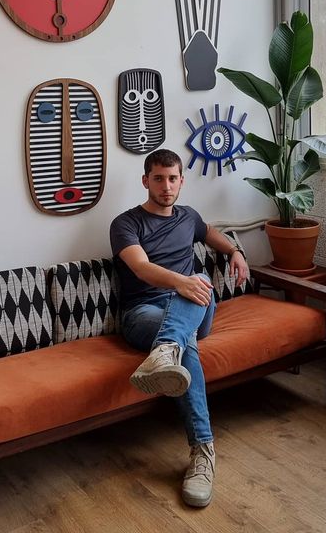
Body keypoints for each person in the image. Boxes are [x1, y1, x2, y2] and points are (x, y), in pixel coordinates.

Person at [109, 148, 248, 508]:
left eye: (173, 179)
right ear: (145, 181)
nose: (166, 186)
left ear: (182, 181)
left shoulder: (189, 217)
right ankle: (203, 453)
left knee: (198, 278)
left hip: (194, 309)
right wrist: (180, 284)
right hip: (142, 314)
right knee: (186, 345)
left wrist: (236, 252)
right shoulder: (125, 224)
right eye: (158, 178)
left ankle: (163, 352)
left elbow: (213, 236)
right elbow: (140, 268)